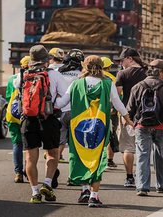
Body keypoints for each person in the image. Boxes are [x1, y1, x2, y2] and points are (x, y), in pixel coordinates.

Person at [55, 55, 133, 207]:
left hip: (78, 127)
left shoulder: (76, 83)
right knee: (96, 159)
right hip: (99, 126)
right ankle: (94, 196)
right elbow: (118, 104)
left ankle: (84, 191)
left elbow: (61, 103)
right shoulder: (107, 83)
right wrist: (128, 119)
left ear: (85, 66)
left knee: (80, 157)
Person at [14, 45, 69, 203]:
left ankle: (34, 192)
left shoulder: (22, 74)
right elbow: (65, 98)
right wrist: (55, 105)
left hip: (28, 119)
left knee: (30, 158)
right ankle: (47, 183)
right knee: (52, 153)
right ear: (47, 60)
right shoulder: (54, 75)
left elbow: (18, 95)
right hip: (48, 119)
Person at [128, 59, 163, 196]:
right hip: (161, 127)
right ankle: (161, 185)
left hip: (142, 126)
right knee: (160, 155)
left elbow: (130, 109)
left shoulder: (137, 86)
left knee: (142, 156)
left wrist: (133, 123)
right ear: (161, 72)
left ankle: (142, 187)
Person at [114, 48, 148, 187]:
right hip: (146, 114)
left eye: (122, 60)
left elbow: (116, 96)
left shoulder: (122, 74)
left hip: (128, 114)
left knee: (128, 147)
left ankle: (129, 177)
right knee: (143, 147)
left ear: (130, 59)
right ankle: (142, 176)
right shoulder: (147, 73)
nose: (121, 63)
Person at [59, 49, 85, 187]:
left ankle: (51, 175)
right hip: (77, 113)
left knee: (58, 144)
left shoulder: (58, 72)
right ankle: (73, 176)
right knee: (75, 147)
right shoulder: (82, 75)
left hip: (60, 111)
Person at [5, 56, 30, 183]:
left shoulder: (11, 79)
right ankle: (28, 170)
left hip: (13, 114)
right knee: (29, 145)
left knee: (17, 144)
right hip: (28, 115)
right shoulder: (33, 77)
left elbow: (8, 96)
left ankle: (18, 173)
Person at [101, 56, 119, 169]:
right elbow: (117, 97)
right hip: (111, 112)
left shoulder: (88, 76)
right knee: (111, 136)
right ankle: (109, 160)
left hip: (95, 112)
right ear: (108, 67)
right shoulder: (112, 79)